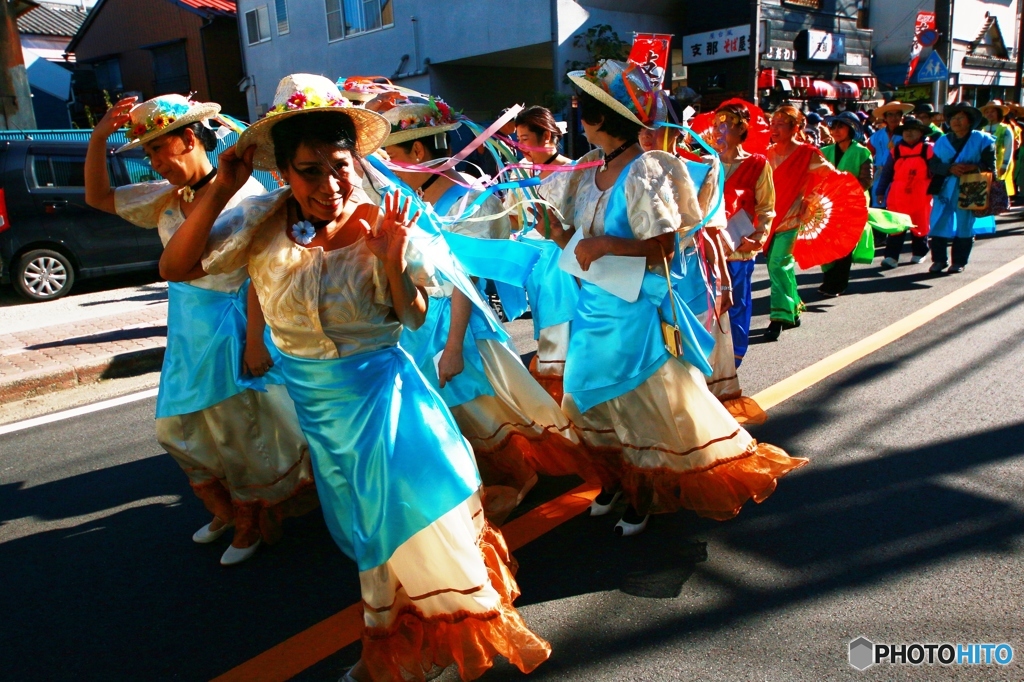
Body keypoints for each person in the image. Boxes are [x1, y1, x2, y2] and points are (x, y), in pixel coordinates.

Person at [158, 74, 551, 682]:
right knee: (368, 534)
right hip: (322, 419)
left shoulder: (384, 222)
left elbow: (412, 315)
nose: (328, 184)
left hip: (390, 409)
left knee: (399, 532)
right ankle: (402, 638)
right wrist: (225, 188)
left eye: (339, 165)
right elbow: (176, 265)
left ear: (356, 162)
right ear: (284, 173)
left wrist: (392, 261)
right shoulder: (260, 221)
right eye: (309, 170)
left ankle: (399, 649)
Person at [542, 59, 806, 537]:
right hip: (591, 308)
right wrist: (558, 232)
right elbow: (579, 247)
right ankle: (618, 480)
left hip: (632, 313)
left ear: (604, 118)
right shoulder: (586, 177)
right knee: (584, 402)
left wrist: (604, 244)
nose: (579, 120)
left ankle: (644, 491)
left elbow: (663, 245)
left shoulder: (645, 172)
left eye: (585, 111)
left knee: (638, 405)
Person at [84, 94, 314, 566]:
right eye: (147, 153)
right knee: (178, 428)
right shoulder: (167, 198)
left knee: (239, 430)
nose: (153, 163)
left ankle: (251, 518)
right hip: (188, 332)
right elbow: (98, 197)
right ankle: (225, 507)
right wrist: (98, 137)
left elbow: (259, 273)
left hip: (234, 327)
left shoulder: (251, 198)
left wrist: (254, 340)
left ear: (189, 138)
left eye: (156, 150)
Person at [381, 96, 591, 520]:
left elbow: (466, 280)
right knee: (449, 411)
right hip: (422, 323)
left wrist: (455, 345)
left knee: (477, 407)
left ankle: (515, 477)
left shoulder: (468, 199)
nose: (387, 164)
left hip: (458, 324)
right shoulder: (414, 196)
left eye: (392, 154)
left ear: (418, 152)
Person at [706, 100, 774, 419]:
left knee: (737, 306)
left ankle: (732, 366)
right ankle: (711, 368)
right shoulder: (707, 163)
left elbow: (766, 207)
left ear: (741, 129)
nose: (721, 128)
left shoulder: (758, 164)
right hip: (709, 248)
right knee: (708, 307)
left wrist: (756, 237)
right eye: (718, 122)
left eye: (728, 123)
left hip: (739, 248)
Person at [514, 105, 579, 403]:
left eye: (526, 138)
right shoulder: (522, 175)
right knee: (547, 332)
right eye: (518, 138)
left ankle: (565, 412)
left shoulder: (573, 171)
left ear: (548, 135)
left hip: (563, 263)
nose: (521, 146)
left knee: (561, 335)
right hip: (538, 266)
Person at [763, 105, 828, 341]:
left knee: (778, 265)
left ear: (795, 128)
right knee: (779, 264)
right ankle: (793, 308)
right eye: (773, 123)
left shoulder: (807, 153)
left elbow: (829, 177)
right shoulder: (766, 153)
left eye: (781, 124)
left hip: (791, 217)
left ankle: (778, 318)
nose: (775, 128)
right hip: (768, 218)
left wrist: (809, 200)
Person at [927, 102, 996, 274]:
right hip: (944, 188)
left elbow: (990, 167)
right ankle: (939, 260)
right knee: (938, 222)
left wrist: (972, 167)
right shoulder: (942, 141)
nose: (955, 121)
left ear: (970, 120)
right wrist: (949, 169)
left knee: (965, 224)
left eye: (960, 118)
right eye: (953, 118)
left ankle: (959, 262)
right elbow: (933, 164)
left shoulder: (984, 140)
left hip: (971, 188)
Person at [818, 111, 873, 297]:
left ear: (851, 129)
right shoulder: (824, 152)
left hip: (853, 203)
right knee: (827, 242)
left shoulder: (862, 151)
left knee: (845, 243)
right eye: (833, 127)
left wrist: (847, 191)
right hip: (829, 204)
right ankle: (828, 279)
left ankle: (838, 283)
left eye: (841, 127)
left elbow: (867, 179)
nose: (836, 131)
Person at [877, 116, 934, 269]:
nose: (909, 133)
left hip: (921, 193)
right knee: (896, 226)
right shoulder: (895, 151)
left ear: (921, 133)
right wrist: (880, 191)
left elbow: (935, 171)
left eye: (913, 130)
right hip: (898, 194)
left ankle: (920, 252)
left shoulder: (928, 149)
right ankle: (891, 257)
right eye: (906, 130)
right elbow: (887, 173)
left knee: (920, 224)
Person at [867, 101, 913, 207]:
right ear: (885, 118)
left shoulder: (908, 135)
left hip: (902, 177)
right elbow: (868, 156)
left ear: (902, 116)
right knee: (879, 211)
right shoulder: (876, 136)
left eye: (897, 114)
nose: (894, 118)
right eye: (890, 115)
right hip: (880, 176)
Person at [979, 100, 1015, 213]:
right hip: (983, 164)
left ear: (998, 113)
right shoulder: (982, 129)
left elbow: (1009, 148)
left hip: (999, 163)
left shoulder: (1005, 129)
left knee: (996, 188)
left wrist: (1005, 164)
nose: (989, 114)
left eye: (992, 111)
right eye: (987, 111)